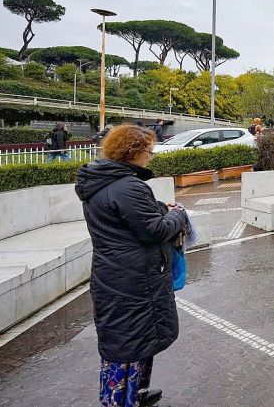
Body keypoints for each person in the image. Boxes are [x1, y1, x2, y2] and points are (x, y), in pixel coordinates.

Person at [75, 124, 187, 407]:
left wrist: (162, 209)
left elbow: (128, 218)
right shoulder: (127, 186)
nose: (151, 155)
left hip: (116, 273)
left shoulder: (105, 182)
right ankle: (119, 401)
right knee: (128, 345)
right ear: (132, 152)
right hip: (133, 279)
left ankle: (133, 393)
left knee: (132, 341)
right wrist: (179, 217)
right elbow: (154, 230)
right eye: (149, 150)